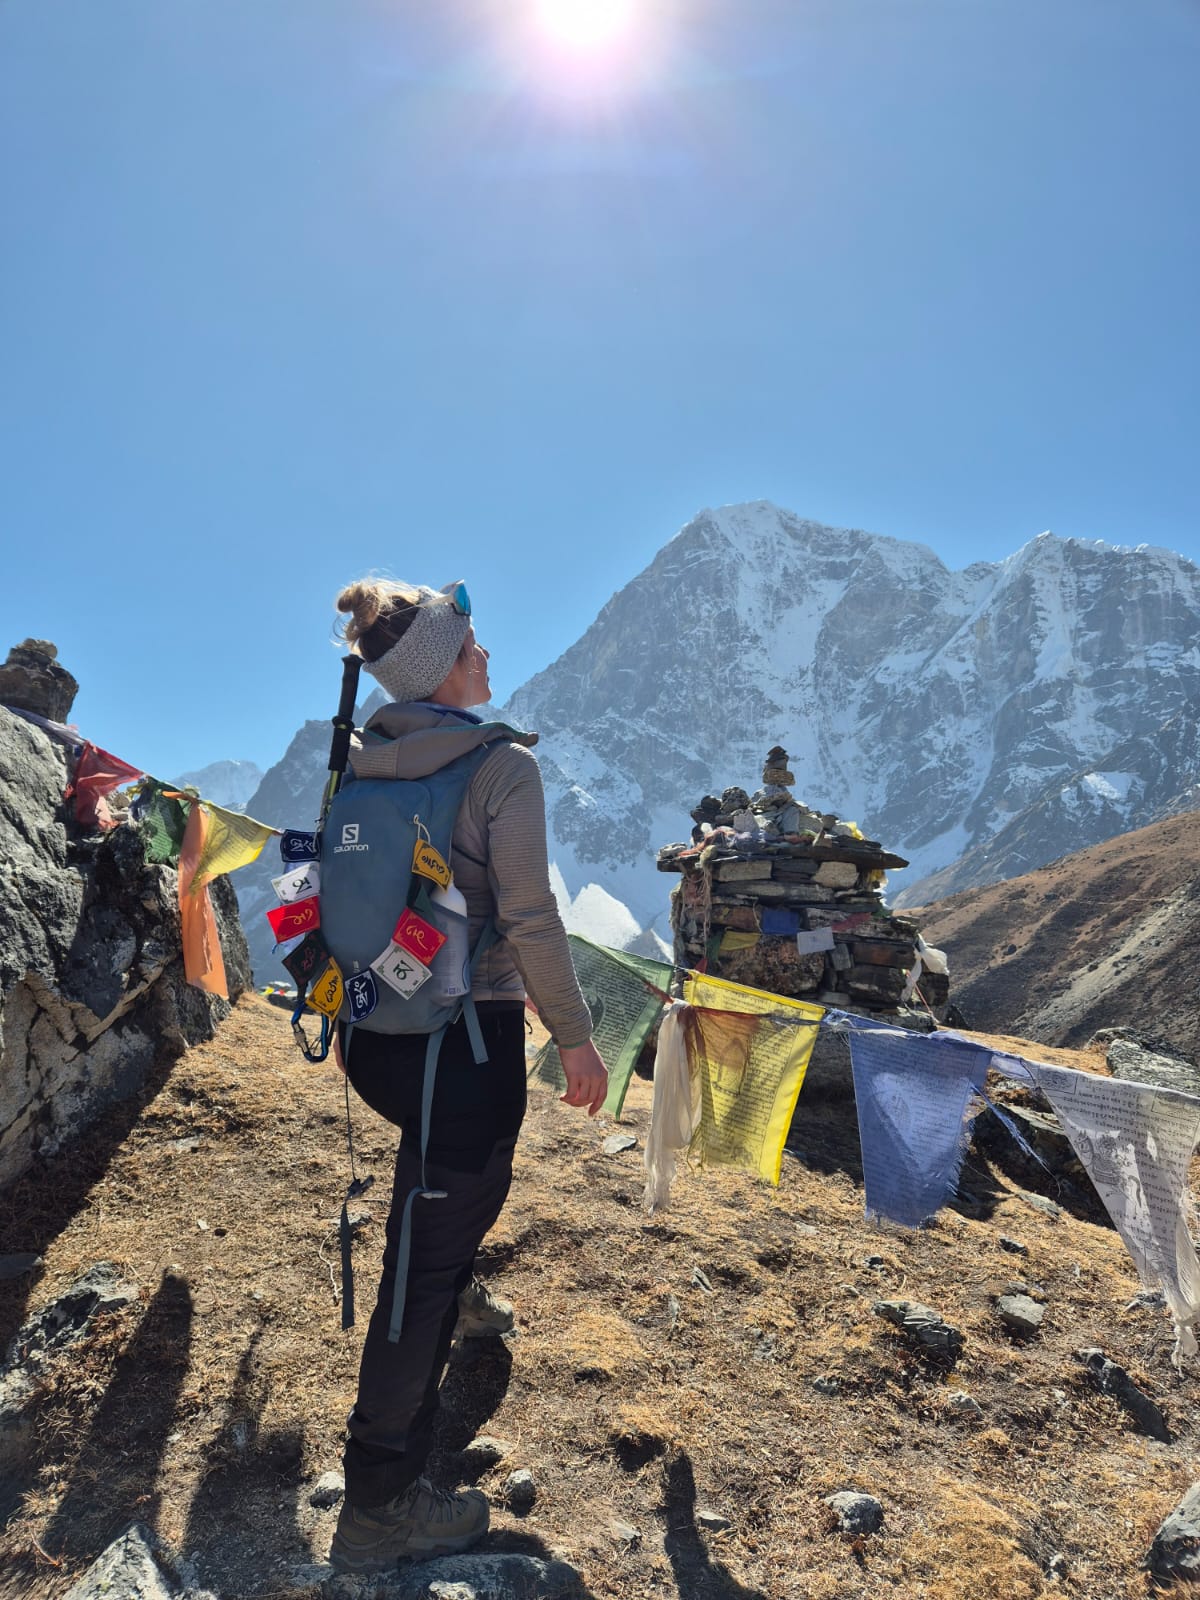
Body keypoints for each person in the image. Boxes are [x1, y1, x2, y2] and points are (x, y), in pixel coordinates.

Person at [326, 577, 608, 1574]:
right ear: (442, 668)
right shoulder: (500, 767)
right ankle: (377, 1509)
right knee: (421, 1273)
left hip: (376, 1041)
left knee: (428, 1232)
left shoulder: (356, 761)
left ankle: (396, 1452)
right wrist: (574, 1038)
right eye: (475, 646)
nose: (488, 658)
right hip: (471, 1051)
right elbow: (529, 917)